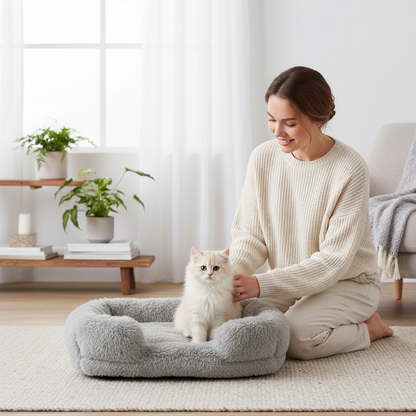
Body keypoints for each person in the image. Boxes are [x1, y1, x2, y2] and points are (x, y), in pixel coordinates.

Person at [229, 66, 394, 360]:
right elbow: (250, 237)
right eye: (271, 120)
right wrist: (229, 277)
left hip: (348, 283)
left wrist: (260, 284)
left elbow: (333, 262)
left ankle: (371, 328)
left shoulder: (350, 168)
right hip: (291, 279)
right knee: (231, 319)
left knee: (296, 339)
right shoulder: (262, 158)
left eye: (289, 123)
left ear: (318, 118)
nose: (277, 132)